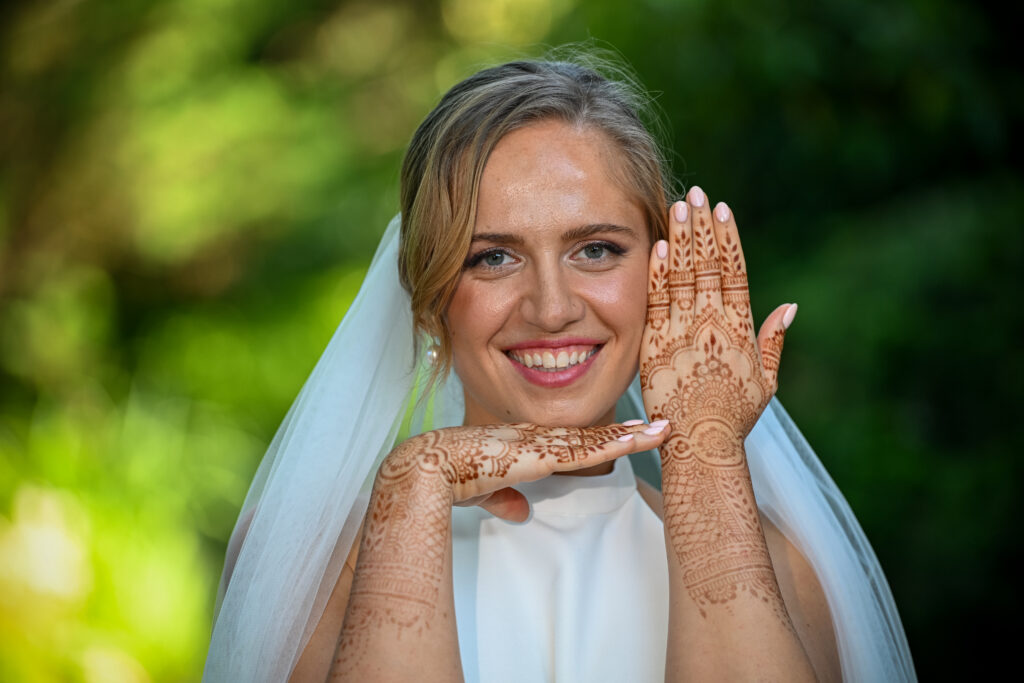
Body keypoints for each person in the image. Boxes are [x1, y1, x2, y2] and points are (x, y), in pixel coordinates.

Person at [203, 54, 916, 682]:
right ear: (427, 300)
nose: (550, 308)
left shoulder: (786, 567)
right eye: (493, 257)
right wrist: (412, 487)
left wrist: (705, 456)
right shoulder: (304, 561)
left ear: (661, 276)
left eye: (596, 249)